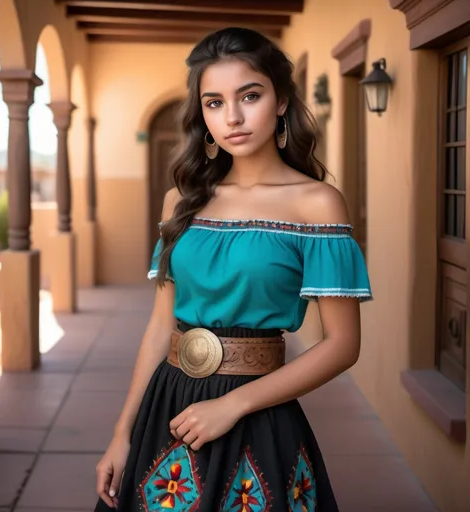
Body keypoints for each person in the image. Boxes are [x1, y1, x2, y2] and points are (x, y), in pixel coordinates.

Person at [94, 26, 372, 512]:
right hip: (168, 404)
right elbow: (161, 325)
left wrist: (232, 405)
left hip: (257, 411)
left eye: (250, 95)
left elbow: (343, 346)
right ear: (201, 113)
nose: (234, 117)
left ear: (281, 100)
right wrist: (122, 432)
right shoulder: (181, 200)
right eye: (214, 102)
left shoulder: (317, 203)